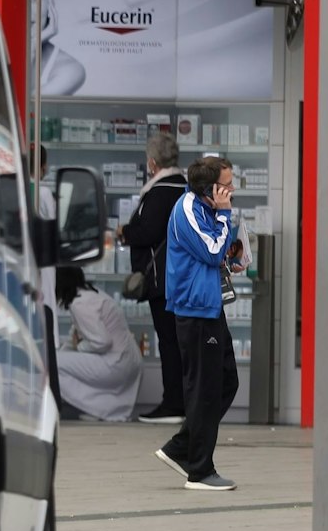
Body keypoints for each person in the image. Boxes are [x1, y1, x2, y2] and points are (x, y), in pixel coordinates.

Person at [154, 154, 245, 492]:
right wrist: (224, 216)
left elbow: (218, 252)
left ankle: (182, 447)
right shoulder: (189, 209)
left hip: (209, 306)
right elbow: (209, 251)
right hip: (194, 310)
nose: (232, 189)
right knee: (204, 389)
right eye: (227, 184)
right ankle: (199, 469)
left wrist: (233, 257)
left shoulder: (208, 209)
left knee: (226, 382)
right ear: (211, 189)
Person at [118, 131, 189, 421]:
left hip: (162, 279)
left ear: (152, 162)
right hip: (180, 276)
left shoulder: (160, 192)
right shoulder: (184, 187)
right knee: (178, 340)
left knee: (169, 341)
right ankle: (181, 401)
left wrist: (125, 232)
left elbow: (148, 232)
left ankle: (173, 404)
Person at [55, 265, 143, 421]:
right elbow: (78, 333)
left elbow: (102, 342)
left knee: (51, 364)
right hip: (128, 360)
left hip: (115, 362)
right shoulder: (91, 294)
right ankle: (105, 409)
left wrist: (78, 347)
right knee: (60, 358)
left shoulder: (79, 303)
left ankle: (99, 410)